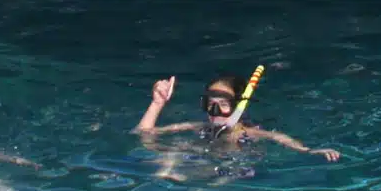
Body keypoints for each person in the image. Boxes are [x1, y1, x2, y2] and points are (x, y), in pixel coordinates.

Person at [134, 74, 340, 160]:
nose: (214, 112)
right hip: (202, 163)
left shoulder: (249, 133)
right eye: (210, 104)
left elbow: (280, 138)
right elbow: (142, 134)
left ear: (238, 107)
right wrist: (157, 104)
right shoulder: (199, 127)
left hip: (234, 170)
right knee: (170, 158)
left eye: (223, 105)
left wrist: (311, 151)